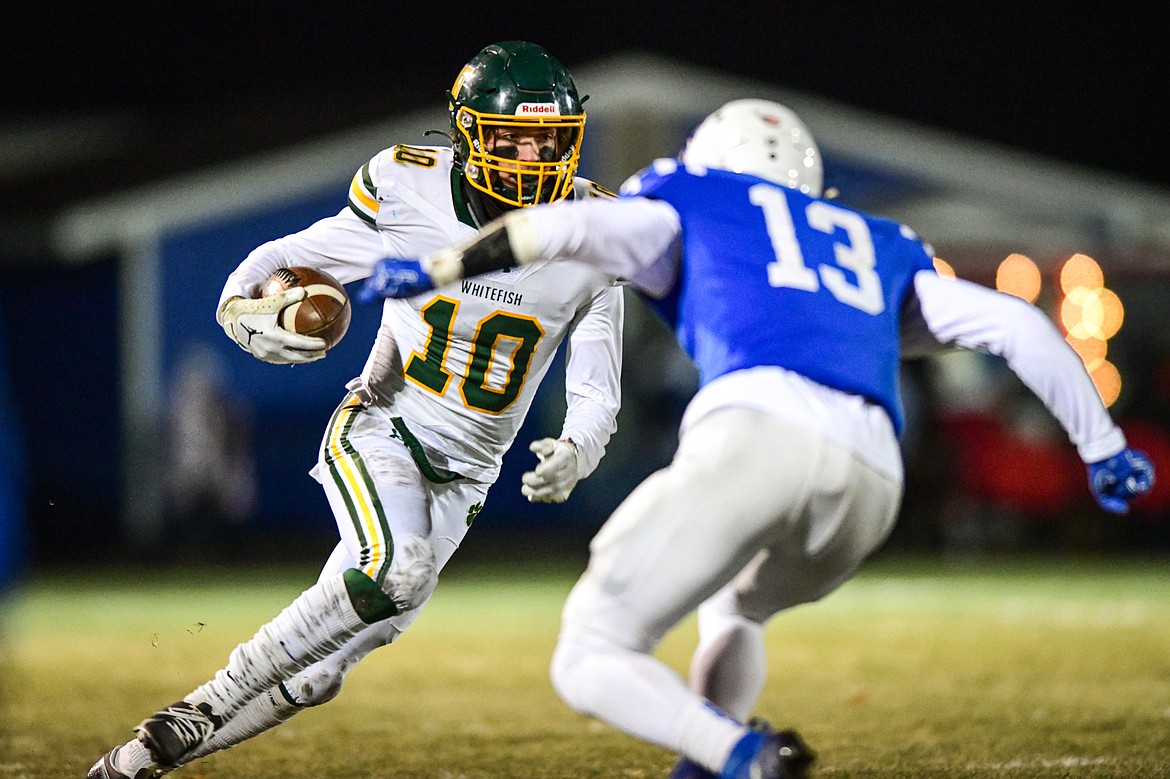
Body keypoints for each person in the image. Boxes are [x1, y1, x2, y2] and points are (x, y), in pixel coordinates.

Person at [359, 98, 1156, 778]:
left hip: (757, 430)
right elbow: (1016, 323)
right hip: (875, 473)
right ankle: (707, 761)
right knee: (735, 605)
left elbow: (555, 229)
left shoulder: (692, 195)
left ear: (709, 159)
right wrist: (1102, 445)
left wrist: (438, 267)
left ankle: (744, 756)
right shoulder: (872, 240)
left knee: (590, 653)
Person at [87, 41, 624, 779]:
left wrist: (579, 448)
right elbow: (275, 260)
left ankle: (133, 761)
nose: (531, 156)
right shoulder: (411, 189)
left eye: (548, 139)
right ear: (469, 133)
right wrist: (245, 311)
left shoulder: (600, 234)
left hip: (468, 478)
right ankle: (205, 705)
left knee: (319, 674)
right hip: (386, 426)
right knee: (392, 570)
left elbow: (597, 385)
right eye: (511, 137)